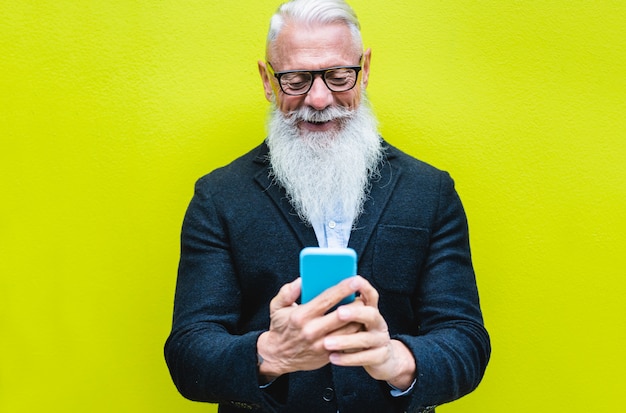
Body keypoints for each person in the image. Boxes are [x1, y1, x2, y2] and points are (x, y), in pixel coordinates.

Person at [164, 0, 490, 412]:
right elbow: (188, 354)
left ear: (365, 70)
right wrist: (271, 353)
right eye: (296, 79)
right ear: (267, 80)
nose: (319, 99)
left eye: (338, 76)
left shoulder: (431, 191)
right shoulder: (217, 196)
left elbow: (466, 341)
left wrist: (394, 360)